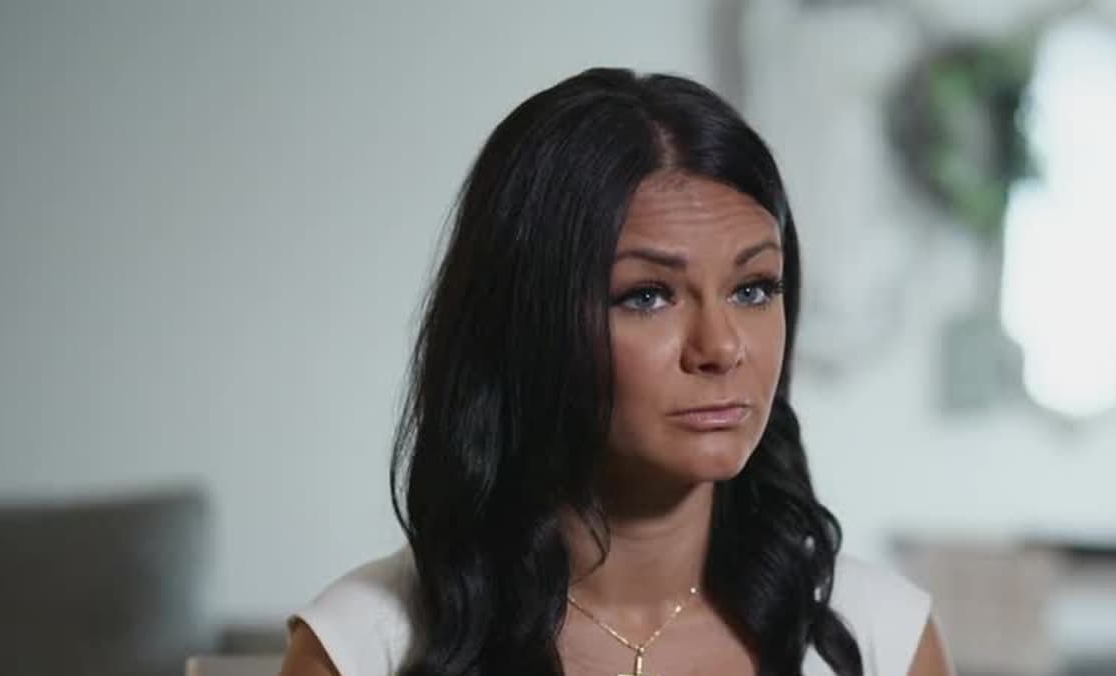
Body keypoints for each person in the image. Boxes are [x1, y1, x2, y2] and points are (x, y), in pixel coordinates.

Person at [276, 68, 954, 676]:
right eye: (647, 296)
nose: (721, 347)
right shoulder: (365, 648)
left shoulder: (880, 641)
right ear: (527, 321)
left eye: (753, 289)